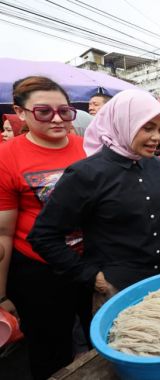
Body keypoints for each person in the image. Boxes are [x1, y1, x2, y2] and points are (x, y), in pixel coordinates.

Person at [28, 89, 160, 298]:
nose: (157, 137)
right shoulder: (86, 174)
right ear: (123, 123)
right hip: (116, 289)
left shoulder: (158, 165)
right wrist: (93, 277)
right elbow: (43, 236)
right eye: (147, 128)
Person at [0, 76, 87, 379]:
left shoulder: (87, 146)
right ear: (20, 111)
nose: (57, 119)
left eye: (64, 111)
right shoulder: (7, 156)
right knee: (51, 351)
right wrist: (2, 295)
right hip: (39, 273)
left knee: (100, 336)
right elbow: (3, 233)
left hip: (90, 264)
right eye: (44, 112)